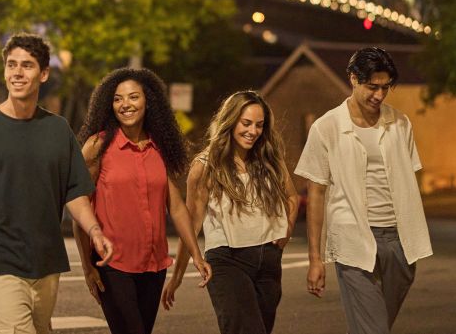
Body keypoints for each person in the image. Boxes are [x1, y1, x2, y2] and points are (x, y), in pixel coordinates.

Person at [0, 33, 113, 334]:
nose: (17, 72)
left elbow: (75, 193)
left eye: (27, 66)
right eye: (11, 65)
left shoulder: (57, 130)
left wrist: (95, 231)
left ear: (43, 74)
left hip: (46, 263)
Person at [295, 47, 432, 334]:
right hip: (354, 239)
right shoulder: (326, 127)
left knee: (371, 326)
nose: (379, 96)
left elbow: (409, 178)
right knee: (374, 329)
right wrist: (315, 259)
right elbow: (316, 194)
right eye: (372, 87)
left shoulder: (400, 123)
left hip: (399, 241)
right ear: (353, 80)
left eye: (385, 88)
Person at [74, 67, 212, 334]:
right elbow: (80, 207)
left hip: (153, 265)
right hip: (111, 264)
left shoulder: (159, 147)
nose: (125, 104)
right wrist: (87, 266)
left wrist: (197, 255)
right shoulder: (97, 146)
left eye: (133, 97)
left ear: (149, 101)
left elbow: (177, 208)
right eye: (117, 98)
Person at [161, 91, 298, 334]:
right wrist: (177, 276)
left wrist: (287, 228)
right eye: (246, 123)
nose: (253, 131)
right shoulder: (205, 166)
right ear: (231, 121)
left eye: (259, 125)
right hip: (227, 261)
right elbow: (190, 225)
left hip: (268, 260)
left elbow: (292, 197)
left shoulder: (269, 159)